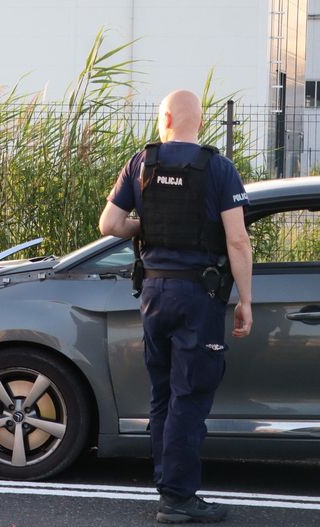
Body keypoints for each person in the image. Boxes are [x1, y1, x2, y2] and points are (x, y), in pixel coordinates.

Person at [98, 89, 253, 524]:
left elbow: (109, 224)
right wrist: (246, 300)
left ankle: (168, 486)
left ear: (163, 118)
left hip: (153, 294)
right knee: (190, 395)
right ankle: (178, 499)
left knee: (163, 393)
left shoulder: (140, 162)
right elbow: (238, 240)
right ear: (199, 122)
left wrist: (142, 225)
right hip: (196, 298)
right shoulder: (217, 167)